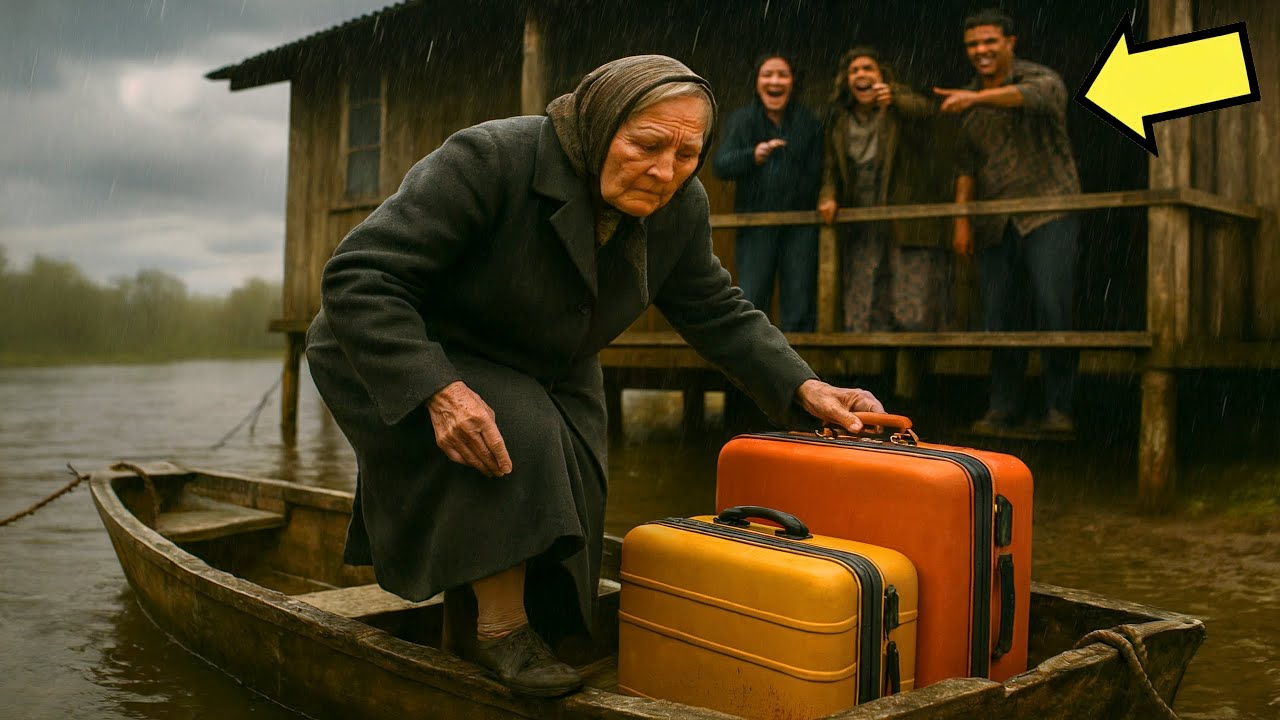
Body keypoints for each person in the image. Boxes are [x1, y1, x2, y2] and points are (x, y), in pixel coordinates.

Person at [305, 55, 884, 698]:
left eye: (687, 154)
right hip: (404, 339)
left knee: (580, 468)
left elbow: (715, 309)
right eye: (647, 145)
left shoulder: (680, 203)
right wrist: (438, 389)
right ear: (603, 124)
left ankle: (531, 622)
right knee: (515, 428)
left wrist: (805, 386)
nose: (664, 171)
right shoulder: (490, 157)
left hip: (545, 353)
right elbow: (359, 276)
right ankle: (497, 629)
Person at [934, 9, 1082, 435]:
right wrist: (961, 220)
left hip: (1049, 211)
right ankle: (1003, 406)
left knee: (1053, 309)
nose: (980, 50)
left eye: (989, 42)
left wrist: (976, 99)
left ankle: (1060, 408)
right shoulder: (966, 99)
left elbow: (1032, 98)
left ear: (1010, 43)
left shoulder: (1040, 78)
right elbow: (966, 167)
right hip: (995, 220)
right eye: (972, 44)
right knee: (1000, 316)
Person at [818, 47, 948, 332]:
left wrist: (896, 98)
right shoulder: (839, 121)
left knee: (912, 309)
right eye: (854, 71)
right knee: (864, 309)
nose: (861, 75)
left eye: (868, 69)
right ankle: (870, 361)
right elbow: (831, 170)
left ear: (882, 76)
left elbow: (927, 112)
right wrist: (828, 197)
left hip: (904, 222)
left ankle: (912, 360)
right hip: (861, 224)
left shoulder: (900, 110)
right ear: (846, 81)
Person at [711, 54, 824, 332]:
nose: (775, 81)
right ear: (757, 82)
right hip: (756, 224)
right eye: (767, 74)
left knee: (800, 301)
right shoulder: (742, 120)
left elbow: (822, 171)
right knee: (753, 297)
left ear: (793, 82)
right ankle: (754, 354)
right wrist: (753, 156)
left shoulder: (809, 122)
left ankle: (797, 357)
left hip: (800, 225)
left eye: (782, 75)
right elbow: (721, 166)